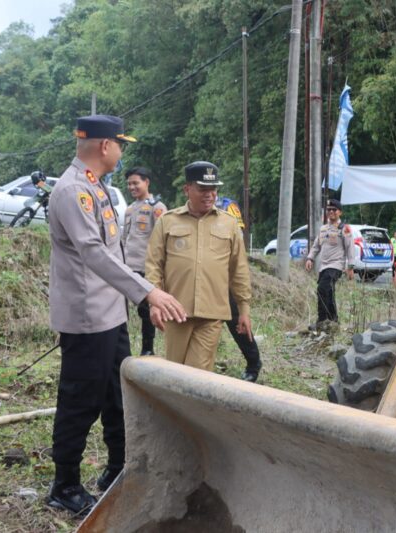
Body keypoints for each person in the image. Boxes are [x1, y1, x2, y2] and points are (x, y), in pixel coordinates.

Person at [47, 115, 187, 515]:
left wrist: (140, 297)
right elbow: (93, 253)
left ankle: (117, 467)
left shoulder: (98, 188)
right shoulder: (73, 191)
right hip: (87, 317)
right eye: (120, 144)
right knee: (80, 400)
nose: (122, 151)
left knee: (116, 395)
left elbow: (116, 252)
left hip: (111, 312)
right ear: (105, 146)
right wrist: (148, 292)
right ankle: (65, 485)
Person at [145, 161, 252, 372]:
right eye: (203, 188)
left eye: (213, 189)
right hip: (176, 310)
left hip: (212, 314)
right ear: (187, 189)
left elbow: (238, 269)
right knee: (175, 371)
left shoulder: (229, 224)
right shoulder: (167, 221)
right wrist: (154, 303)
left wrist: (244, 310)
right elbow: (154, 265)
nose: (209, 194)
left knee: (198, 373)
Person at [215, 196, 263, 382]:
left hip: (227, 275)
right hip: (204, 278)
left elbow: (239, 237)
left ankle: (253, 362)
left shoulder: (226, 205)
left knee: (237, 323)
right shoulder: (192, 211)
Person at [122, 167, 167, 356]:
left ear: (146, 182)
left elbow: (163, 239)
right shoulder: (130, 209)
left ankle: (147, 349)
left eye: (136, 183)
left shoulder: (157, 208)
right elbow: (126, 238)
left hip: (145, 268)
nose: (132, 187)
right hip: (127, 267)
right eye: (129, 184)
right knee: (120, 309)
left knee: (146, 311)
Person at [305, 199, 355, 330]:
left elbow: (350, 248)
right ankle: (333, 321)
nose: (331, 212)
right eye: (329, 209)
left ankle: (322, 321)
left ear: (340, 212)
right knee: (328, 291)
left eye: (334, 210)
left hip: (336, 266)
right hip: (324, 266)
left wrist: (350, 267)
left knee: (322, 289)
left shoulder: (344, 229)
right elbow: (316, 246)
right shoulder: (323, 229)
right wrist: (310, 258)